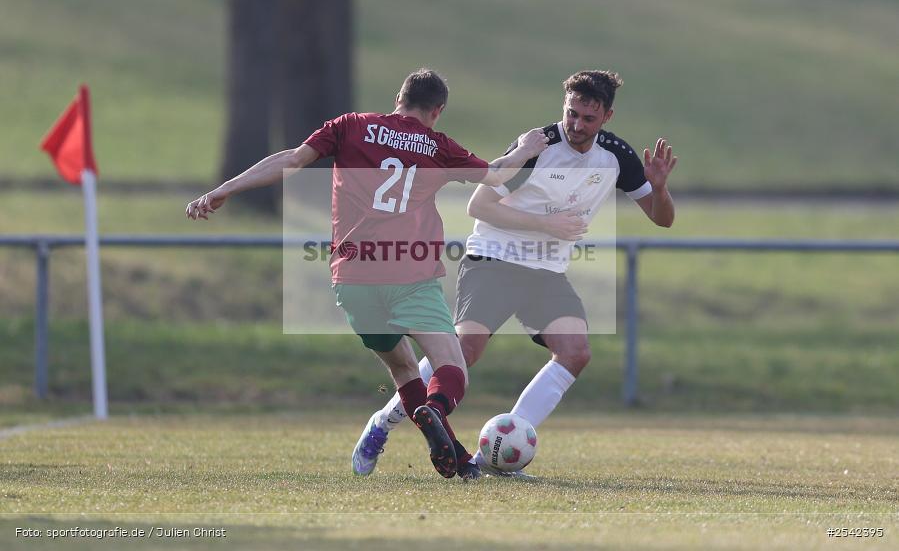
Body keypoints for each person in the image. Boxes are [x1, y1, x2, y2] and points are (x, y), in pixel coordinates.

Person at [186, 68, 548, 479]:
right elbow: (498, 174)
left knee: (403, 369)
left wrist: (225, 189)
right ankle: (435, 409)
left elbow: (291, 160)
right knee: (451, 368)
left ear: (399, 99)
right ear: (437, 111)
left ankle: (460, 460)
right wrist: (525, 148)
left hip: (353, 278)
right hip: (408, 273)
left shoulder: (350, 126)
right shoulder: (437, 145)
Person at [353, 69, 677, 478]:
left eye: (588, 118)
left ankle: (497, 453)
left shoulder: (616, 157)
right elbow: (479, 206)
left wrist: (659, 189)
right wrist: (546, 225)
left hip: (546, 272)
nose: (576, 125)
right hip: (494, 258)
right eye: (571, 113)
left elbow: (662, 219)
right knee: (463, 353)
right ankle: (382, 424)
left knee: (575, 352)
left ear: (607, 117)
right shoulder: (540, 148)